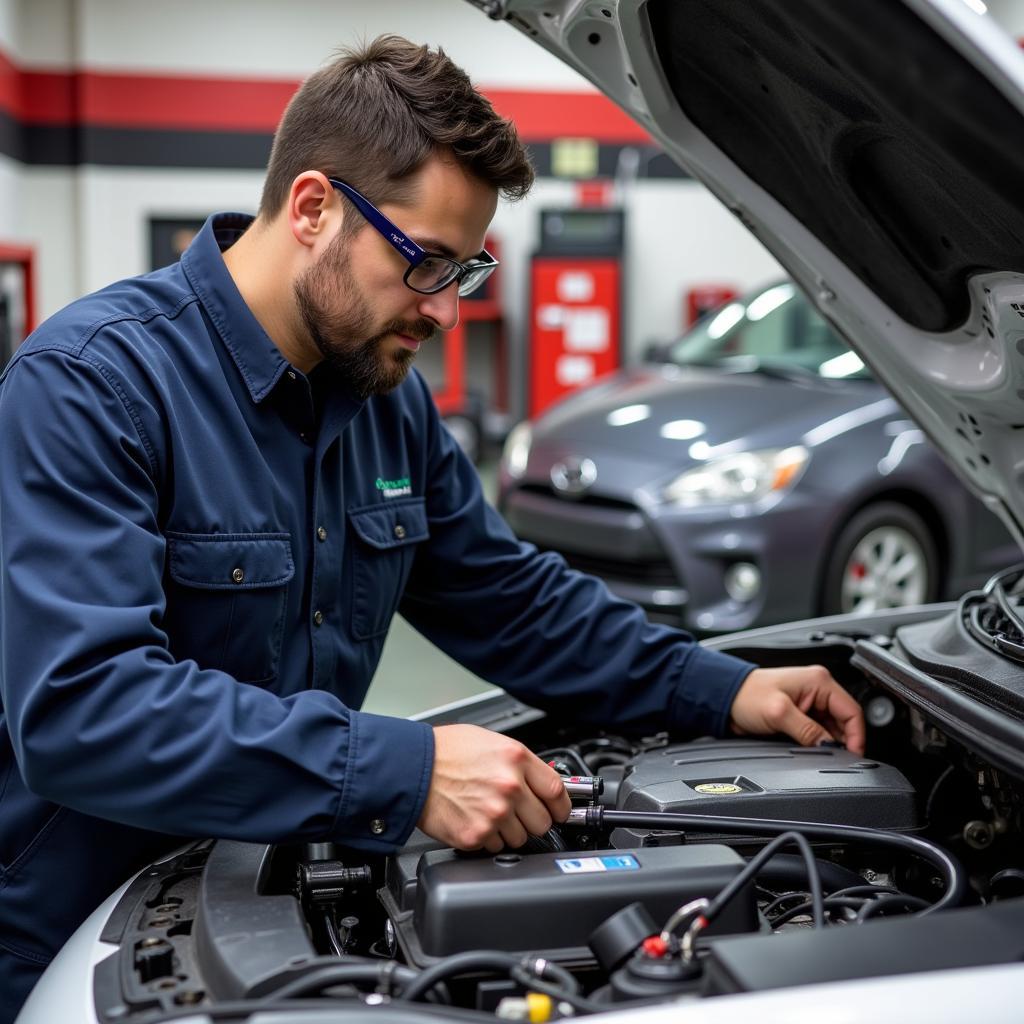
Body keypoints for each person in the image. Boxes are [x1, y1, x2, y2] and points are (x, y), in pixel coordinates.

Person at [0, 35, 864, 1019]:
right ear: (315, 207)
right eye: (426, 264)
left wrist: (726, 685)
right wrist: (405, 772)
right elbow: (84, 711)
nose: (447, 313)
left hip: (272, 905)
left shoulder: (382, 401)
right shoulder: (91, 388)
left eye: (467, 270)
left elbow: (514, 599)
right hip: (75, 946)